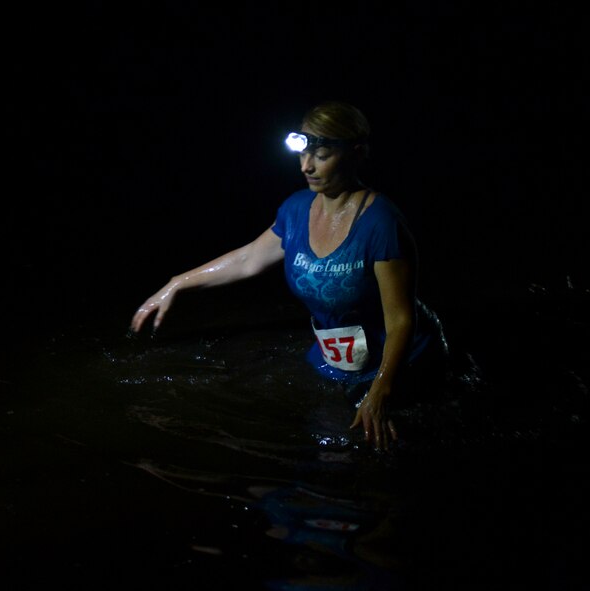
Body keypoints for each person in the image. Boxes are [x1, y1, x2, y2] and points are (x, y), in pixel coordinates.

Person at [129, 100, 447, 451]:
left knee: (360, 452)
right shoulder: (296, 209)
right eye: (303, 153)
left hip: (402, 359)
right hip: (338, 356)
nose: (306, 166)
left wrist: (380, 392)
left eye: (321, 155)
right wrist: (176, 284)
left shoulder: (381, 224)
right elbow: (249, 258)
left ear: (356, 154)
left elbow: (401, 320)